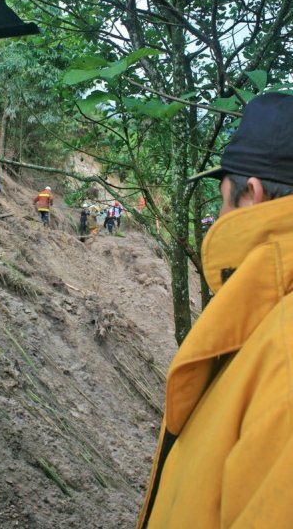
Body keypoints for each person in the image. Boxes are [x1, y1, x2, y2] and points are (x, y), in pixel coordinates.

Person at [137, 93, 293, 529]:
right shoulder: (269, 322)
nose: (218, 215)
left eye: (223, 199)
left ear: (252, 196)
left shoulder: (284, 349)